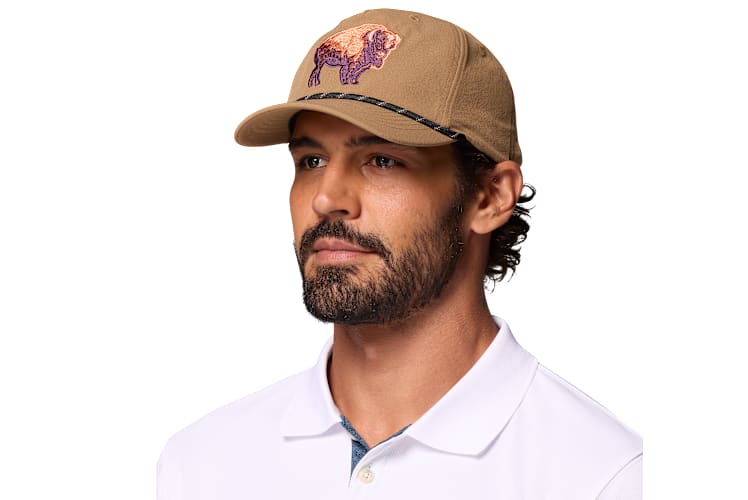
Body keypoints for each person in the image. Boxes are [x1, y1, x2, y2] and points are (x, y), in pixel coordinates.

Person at [157, 8, 642, 499]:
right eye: (312, 160)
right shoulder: (200, 464)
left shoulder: (605, 477)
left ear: (490, 197)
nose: (326, 198)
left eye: (382, 160)